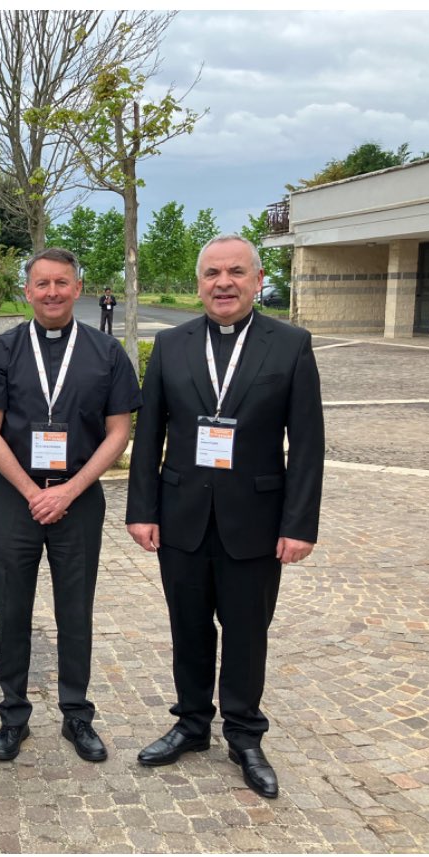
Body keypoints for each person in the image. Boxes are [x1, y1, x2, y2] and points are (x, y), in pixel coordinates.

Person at [126, 234, 324, 799]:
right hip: (182, 515)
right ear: (199, 284)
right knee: (187, 629)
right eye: (212, 273)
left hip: (256, 521)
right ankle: (191, 723)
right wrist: (142, 509)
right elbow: (150, 438)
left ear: (259, 280)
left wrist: (299, 523)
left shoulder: (289, 345)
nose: (223, 283)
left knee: (245, 633)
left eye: (236, 271)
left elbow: (307, 442)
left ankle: (243, 733)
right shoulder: (170, 345)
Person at [0, 247, 141, 762]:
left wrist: (68, 490)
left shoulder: (105, 352)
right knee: (12, 608)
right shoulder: (2, 350)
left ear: (79, 288)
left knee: (75, 609)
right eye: (41, 284)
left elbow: (119, 432)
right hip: (16, 499)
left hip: (80, 500)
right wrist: (31, 492)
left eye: (61, 283)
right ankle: (13, 716)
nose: (51, 293)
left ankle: (77, 716)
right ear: (27, 291)